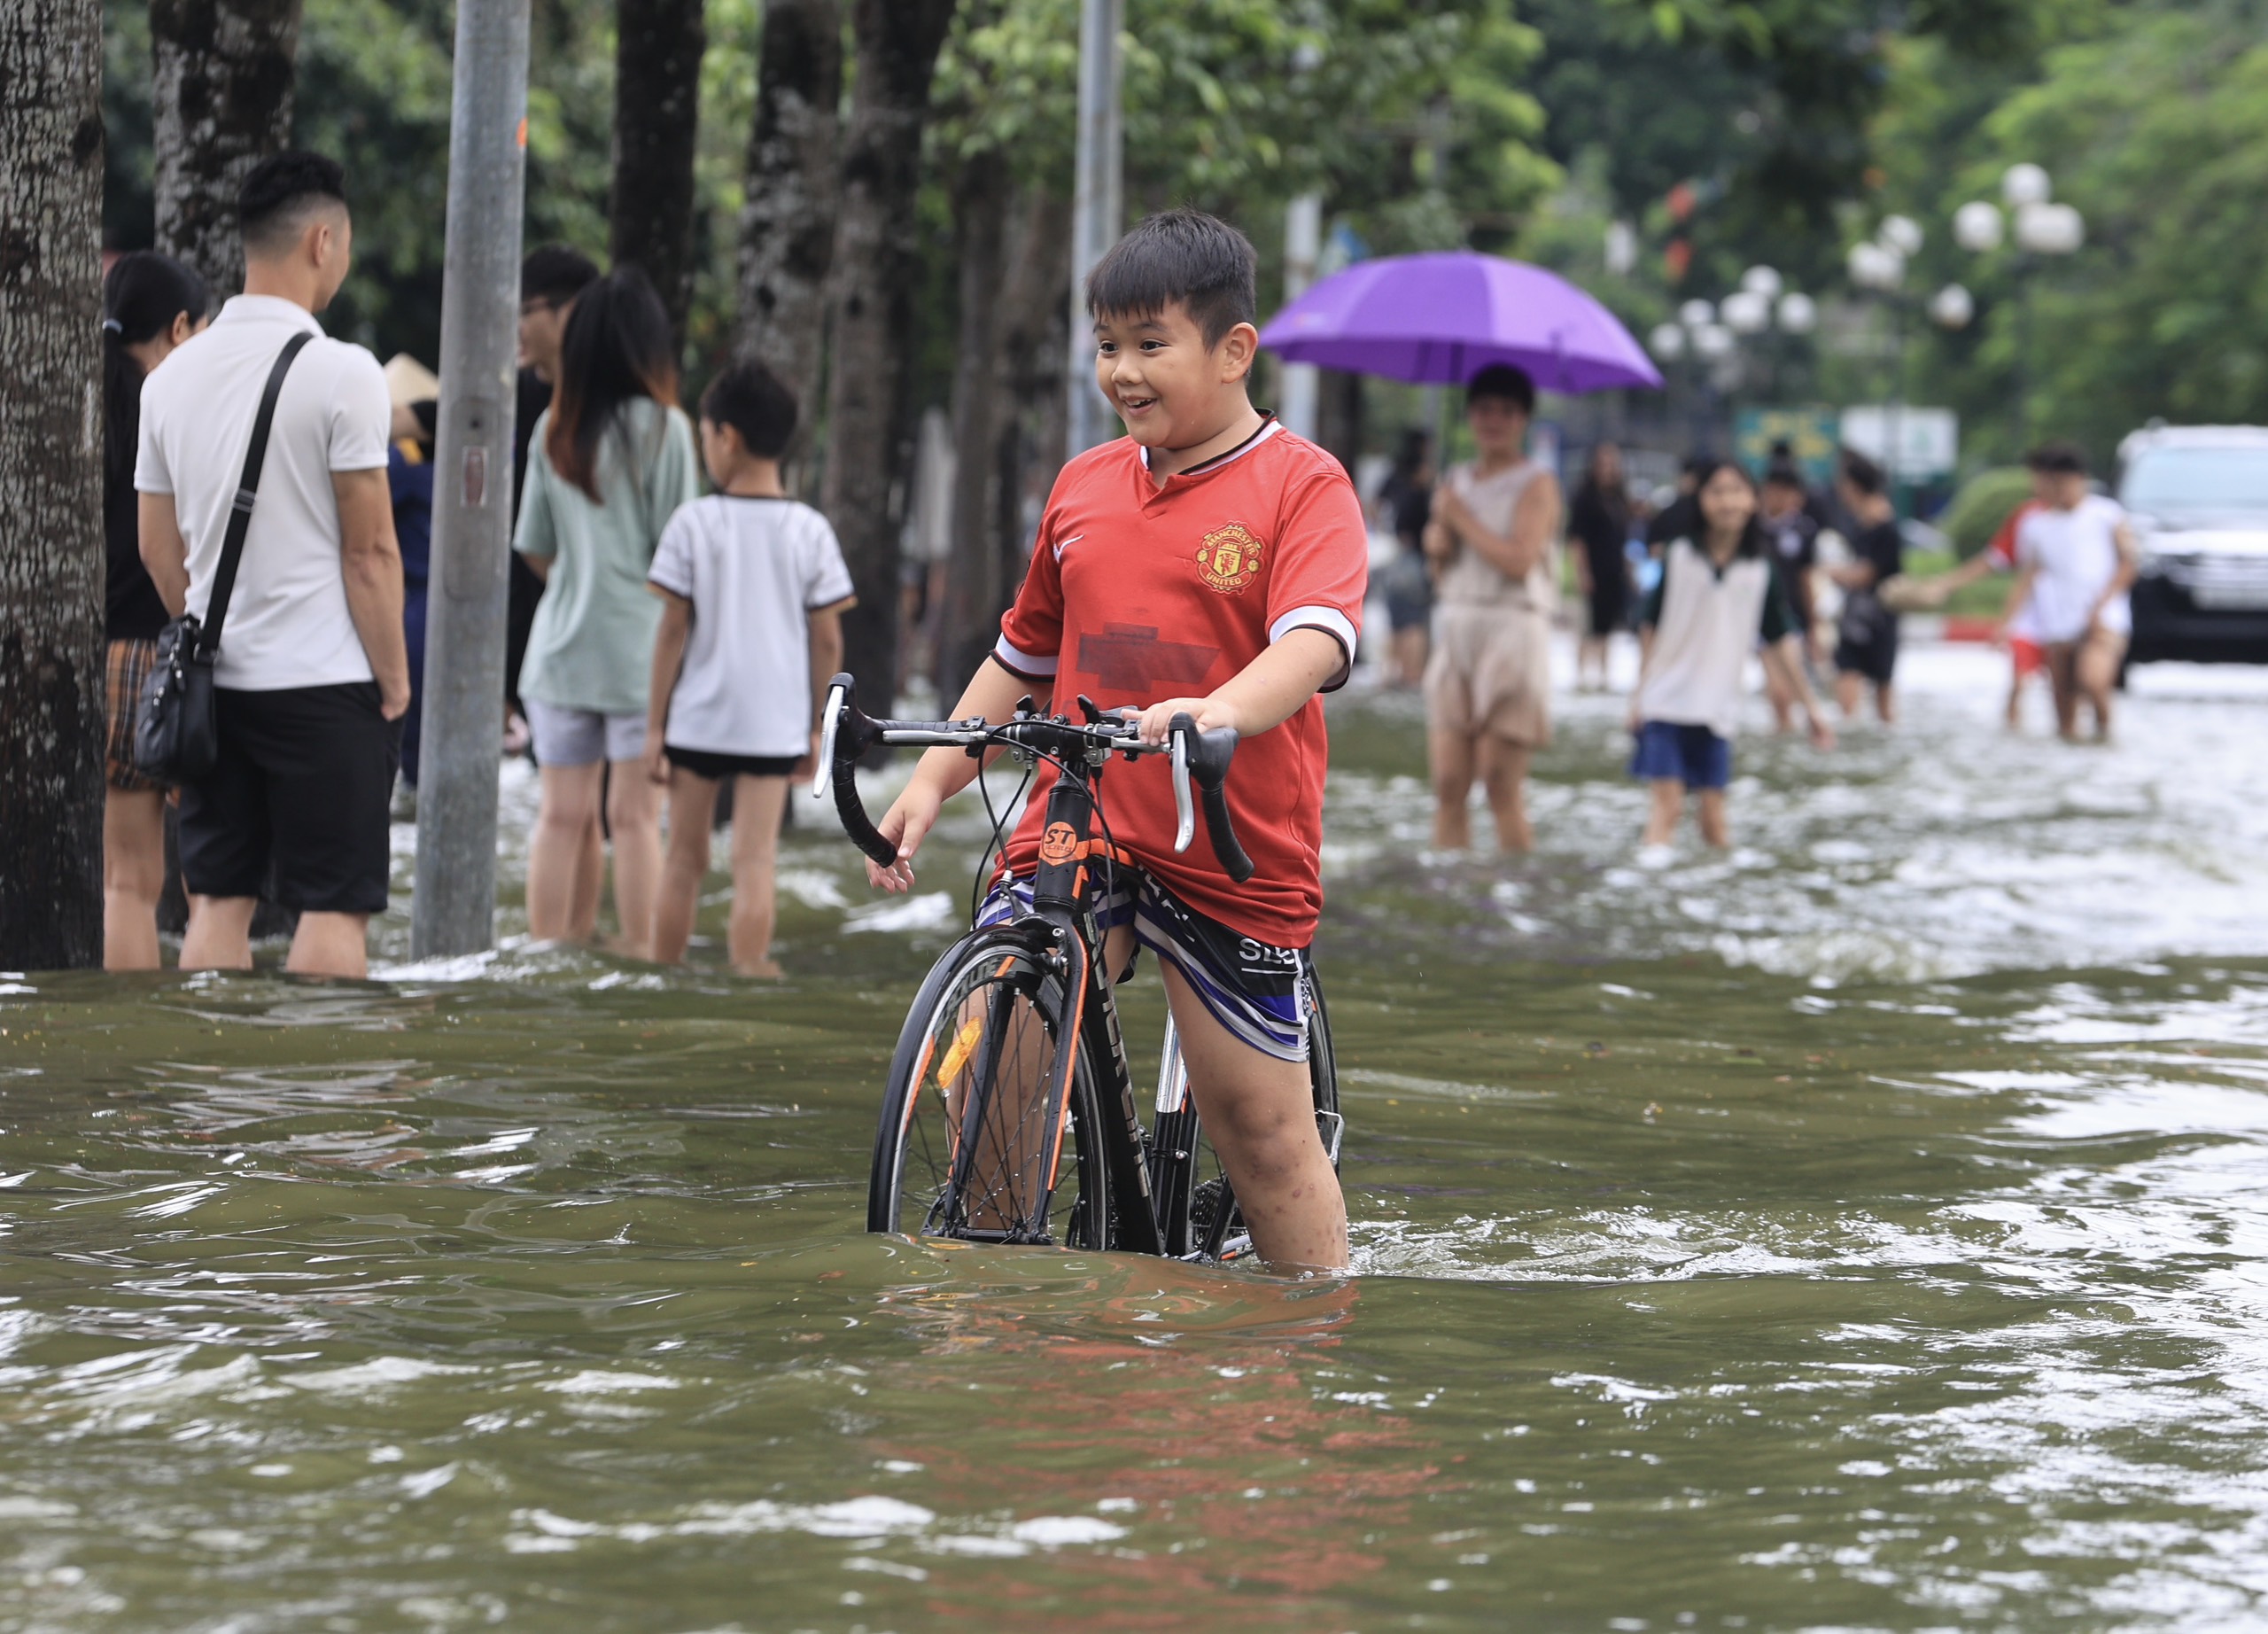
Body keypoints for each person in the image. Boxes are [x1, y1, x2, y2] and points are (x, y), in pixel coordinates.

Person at [866, 208, 1367, 1273]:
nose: (1122, 371)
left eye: (1150, 344)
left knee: (1263, 1134)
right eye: (1106, 345)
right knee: (997, 1042)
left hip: (1225, 835)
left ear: (1234, 351)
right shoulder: (1082, 486)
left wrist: (1213, 710)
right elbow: (1022, 659)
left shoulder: (1302, 484)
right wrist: (931, 780)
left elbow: (1316, 641)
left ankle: (1314, 1345)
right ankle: (992, 1293)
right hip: (1075, 820)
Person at [136, 151, 410, 979]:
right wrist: (393, 685)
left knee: (216, 907)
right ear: (323, 241)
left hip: (215, 694)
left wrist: (220, 629)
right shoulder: (344, 374)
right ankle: (320, 1105)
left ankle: (210, 1104)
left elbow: (158, 548)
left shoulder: (172, 377)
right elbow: (369, 554)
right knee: (332, 909)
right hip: (325, 687)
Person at [643, 361, 854, 976]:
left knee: (682, 859)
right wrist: (820, 729)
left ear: (726, 437)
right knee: (755, 862)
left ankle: (664, 974)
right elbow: (828, 641)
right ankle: (751, 972)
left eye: (705, 435)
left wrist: (654, 729)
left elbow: (671, 634)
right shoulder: (809, 530)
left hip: (697, 723)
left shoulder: (693, 522)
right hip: (773, 725)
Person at [514, 267, 698, 958]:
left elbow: (534, 547)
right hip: (637, 653)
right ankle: (644, 962)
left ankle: (545, 954)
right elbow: (678, 554)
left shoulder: (552, 427)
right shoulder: (667, 430)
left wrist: (578, 581)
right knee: (633, 817)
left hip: (560, 647)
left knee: (559, 817)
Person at [99, 251, 210, 971]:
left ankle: (115, 1047)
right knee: (191, 882)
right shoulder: (170, 413)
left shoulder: (74, 410)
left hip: (95, 657)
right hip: (160, 659)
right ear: (177, 329)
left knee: (121, 880)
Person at [1629, 460, 1833, 851]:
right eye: (1718, 491)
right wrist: (1638, 695)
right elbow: (1649, 626)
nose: (1728, 502)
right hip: (1665, 702)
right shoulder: (1677, 555)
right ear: (1701, 498)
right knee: (1667, 809)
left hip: (1717, 709)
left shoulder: (1760, 568)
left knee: (1715, 823)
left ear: (1753, 500)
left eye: (1737, 491)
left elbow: (1779, 643)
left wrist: (1812, 709)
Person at [1422, 363, 1560, 853]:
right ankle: (1451, 889)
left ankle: (1515, 890)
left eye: (1506, 411)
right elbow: (1444, 573)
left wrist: (1461, 519)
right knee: (1447, 784)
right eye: (1484, 410)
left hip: (1513, 626)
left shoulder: (1537, 482)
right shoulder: (1455, 480)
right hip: (1458, 624)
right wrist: (1438, 543)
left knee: (1501, 785)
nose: (1493, 421)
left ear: (1522, 419)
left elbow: (1520, 560)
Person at [2003, 441, 2136, 743]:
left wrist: (2101, 606)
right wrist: (2007, 623)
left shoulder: (2107, 515)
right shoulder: (2036, 525)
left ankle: (2106, 736)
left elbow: (2129, 564)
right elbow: (2028, 576)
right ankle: (2073, 753)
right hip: (2058, 621)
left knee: (2093, 682)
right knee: (2063, 710)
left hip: (2102, 621)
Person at [382, 354, 439, 790]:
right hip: (449, 605)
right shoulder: (446, 469)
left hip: (416, 608)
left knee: (413, 726)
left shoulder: (400, 468)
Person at [1830, 449, 1902, 723]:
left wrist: (1833, 573)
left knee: (1882, 692)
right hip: (1854, 618)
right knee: (1848, 677)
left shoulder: (1884, 525)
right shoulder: (1859, 522)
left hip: (1879, 617)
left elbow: (1867, 573)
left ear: (1856, 486)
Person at [1758, 461, 1820, 732]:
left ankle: (1788, 732)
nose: (1780, 497)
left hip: (1790, 615)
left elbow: (1807, 578)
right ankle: (1783, 731)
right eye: (1774, 490)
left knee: (1786, 686)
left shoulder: (1803, 530)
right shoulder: (1751, 527)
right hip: (1757, 616)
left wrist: (1814, 622)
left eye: (1787, 491)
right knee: (1776, 689)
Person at [1568, 440, 1634, 690]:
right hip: (1592, 568)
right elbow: (1577, 540)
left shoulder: (1618, 498)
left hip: (1613, 568)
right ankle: (1582, 675)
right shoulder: (1585, 498)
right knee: (1587, 625)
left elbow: (1623, 538)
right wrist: (1582, 572)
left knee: (1607, 625)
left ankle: (1605, 675)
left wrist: (1627, 569)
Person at [1373, 427, 1434, 688]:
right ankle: (1412, 674)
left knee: (1397, 617)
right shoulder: (1421, 480)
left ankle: (1395, 672)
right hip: (1414, 557)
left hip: (1395, 554)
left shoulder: (1393, 474)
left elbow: (1374, 505)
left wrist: (1384, 532)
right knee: (1414, 619)